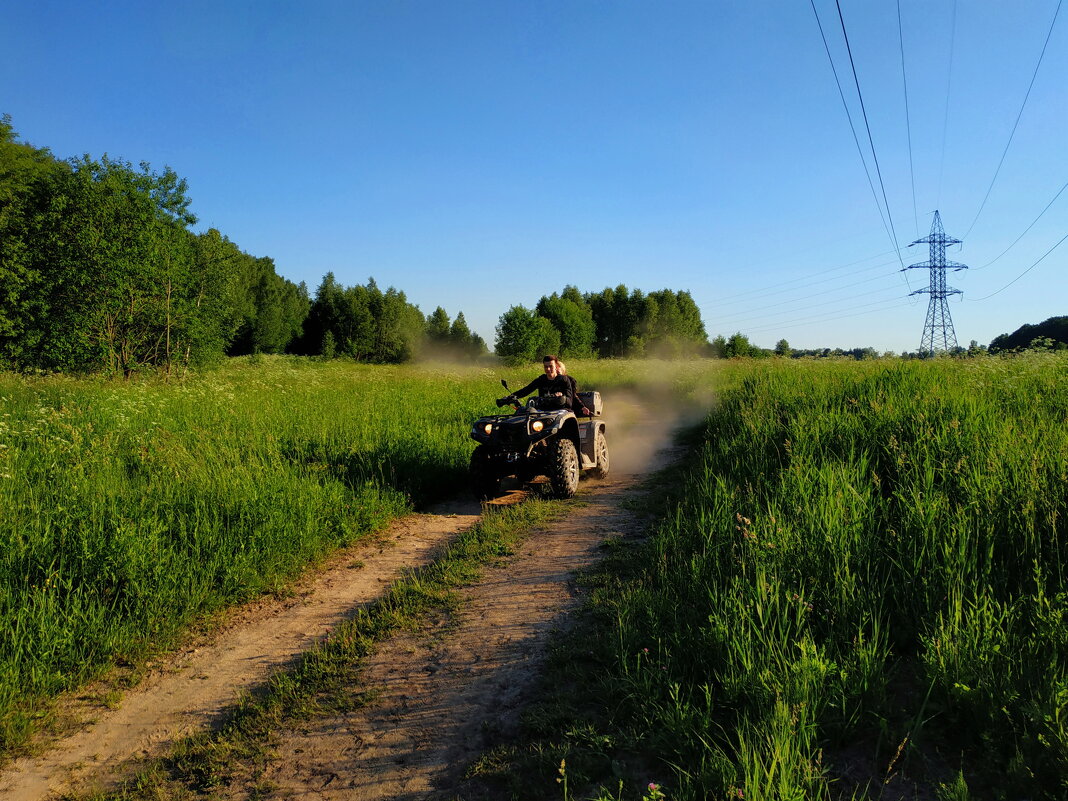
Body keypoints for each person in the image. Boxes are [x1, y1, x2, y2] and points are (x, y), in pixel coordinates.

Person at [501, 354, 575, 411]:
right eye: (546, 367)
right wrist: (510, 397)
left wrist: (562, 398)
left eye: (551, 366)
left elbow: (569, 401)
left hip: (561, 411)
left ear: (556, 366)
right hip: (543, 411)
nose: (548, 369)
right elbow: (527, 390)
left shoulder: (564, 380)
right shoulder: (541, 379)